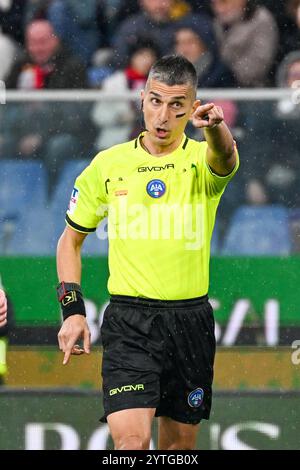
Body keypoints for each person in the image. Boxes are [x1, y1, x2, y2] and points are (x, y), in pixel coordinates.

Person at [56, 55, 239, 450]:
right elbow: (69, 240)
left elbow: (225, 158)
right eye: (155, 101)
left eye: (177, 106)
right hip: (130, 323)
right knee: (132, 445)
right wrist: (72, 311)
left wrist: (218, 129)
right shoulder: (108, 164)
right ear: (141, 99)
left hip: (190, 322)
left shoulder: (201, 160)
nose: (163, 115)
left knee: (178, 450)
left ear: (193, 109)